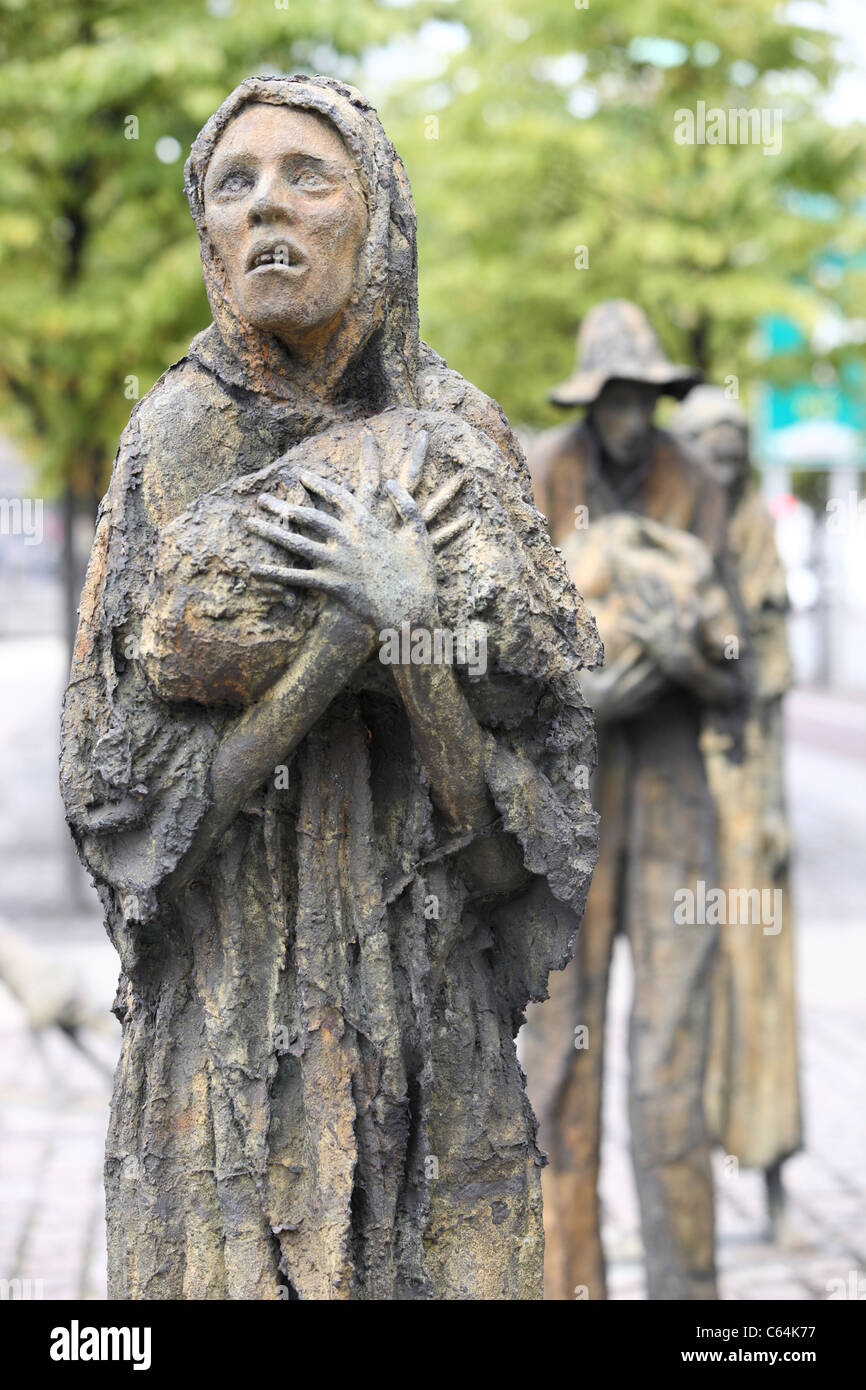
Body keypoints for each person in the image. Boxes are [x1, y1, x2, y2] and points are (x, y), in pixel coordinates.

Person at [59, 76, 600, 1301]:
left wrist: (417, 648)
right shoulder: (171, 441)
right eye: (233, 183)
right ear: (205, 228)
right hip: (232, 1045)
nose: (266, 211)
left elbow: (518, 855)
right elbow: (131, 822)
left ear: (380, 215)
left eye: (308, 174)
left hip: (427, 1035)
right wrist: (335, 645)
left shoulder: (459, 431)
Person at [522, 300, 748, 1300]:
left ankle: (686, 1300)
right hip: (567, 815)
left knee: (667, 1064)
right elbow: (506, 659)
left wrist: (678, 663)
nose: (627, 415)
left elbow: (738, 665)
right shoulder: (540, 475)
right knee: (558, 1068)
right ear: (587, 399)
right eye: (611, 396)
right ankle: (567, 1286)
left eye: (642, 397)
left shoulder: (692, 482)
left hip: (669, 810)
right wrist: (584, 693)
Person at [671, 386, 801, 1235]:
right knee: (683, 992)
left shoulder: (757, 537)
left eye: (734, 449)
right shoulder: (673, 536)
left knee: (762, 989)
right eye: (707, 449)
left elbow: (770, 689)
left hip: (747, 799)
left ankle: (774, 1178)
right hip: (679, 799)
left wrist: (777, 804)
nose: (723, 463)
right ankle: (683, 1191)